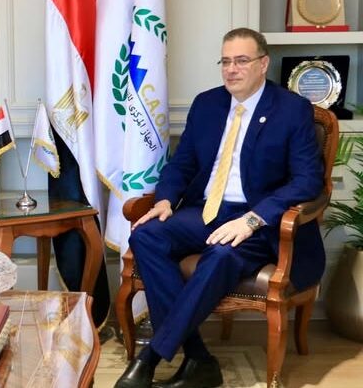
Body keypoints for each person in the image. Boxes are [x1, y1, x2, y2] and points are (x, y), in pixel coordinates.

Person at [114, 27, 325, 388]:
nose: (231, 69)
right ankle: (199, 357)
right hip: (206, 210)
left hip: (257, 219)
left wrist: (253, 219)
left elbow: (307, 181)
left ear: (263, 64)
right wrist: (164, 199)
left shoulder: (292, 110)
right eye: (225, 61)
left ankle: (149, 358)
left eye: (241, 61)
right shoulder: (207, 104)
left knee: (221, 256)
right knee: (146, 235)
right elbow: (182, 163)